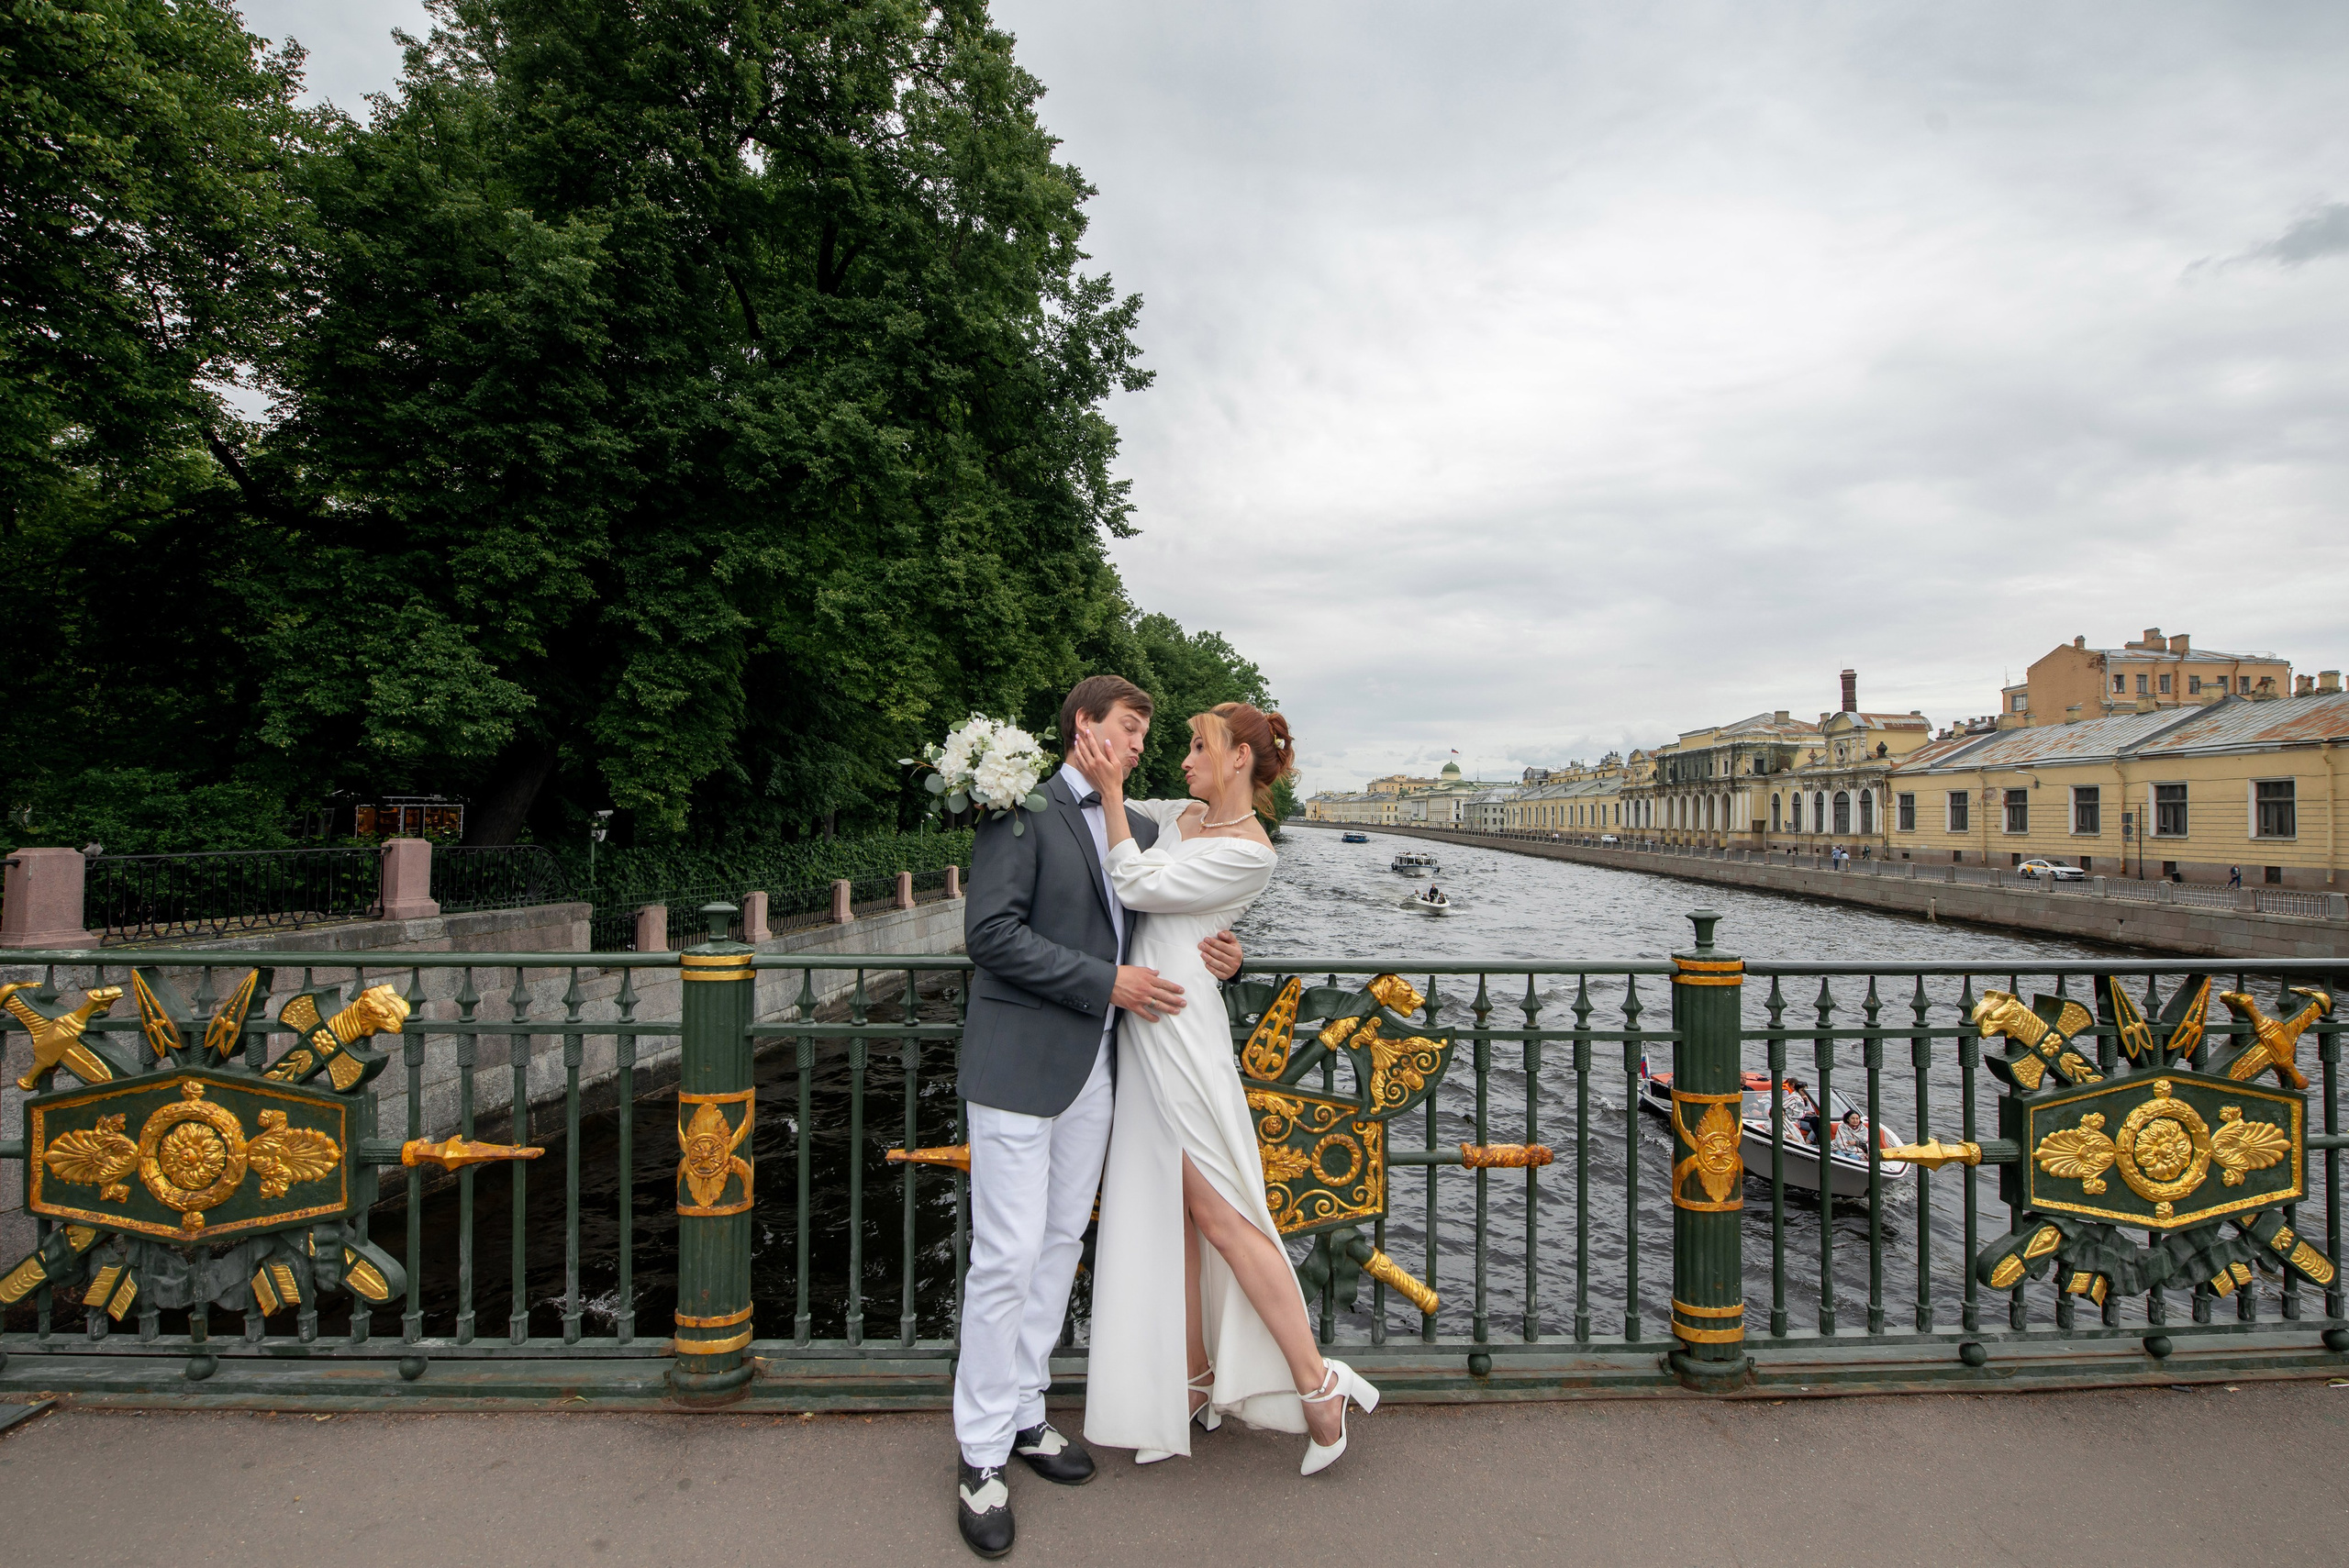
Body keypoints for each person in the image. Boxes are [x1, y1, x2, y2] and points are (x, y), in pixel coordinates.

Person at [952, 675, 1247, 1560]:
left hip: (1096, 1071)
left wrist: (1226, 951)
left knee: (1056, 1245)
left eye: (1147, 733)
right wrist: (1105, 982)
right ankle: (978, 1453)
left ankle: (1027, 1412)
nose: (1141, 744)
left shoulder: (1142, 829)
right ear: (1085, 725)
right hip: (1017, 1064)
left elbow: (1172, 906)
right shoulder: (1018, 808)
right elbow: (990, 934)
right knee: (1005, 1253)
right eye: (1128, 727)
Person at [1075, 703, 1380, 1480]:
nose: (1182, 758)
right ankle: (1194, 1379)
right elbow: (1110, 805)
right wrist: (1097, 766)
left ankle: (1318, 1385)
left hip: (1180, 1028)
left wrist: (1112, 794)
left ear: (1239, 757)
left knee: (1221, 1215)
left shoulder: (1253, 851)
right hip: (1146, 1019)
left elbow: (1138, 882)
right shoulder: (1181, 815)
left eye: (1198, 746)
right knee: (1173, 1214)